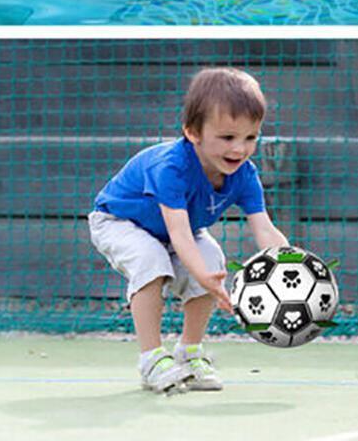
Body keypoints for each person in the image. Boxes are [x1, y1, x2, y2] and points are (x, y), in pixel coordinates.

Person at [88, 67, 288, 393]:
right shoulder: (171, 167)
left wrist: (291, 263)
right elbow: (179, 233)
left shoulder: (245, 174)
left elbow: (264, 227)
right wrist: (203, 277)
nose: (239, 148)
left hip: (171, 232)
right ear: (193, 132)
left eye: (250, 137)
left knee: (210, 260)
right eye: (227, 137)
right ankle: (152, 359)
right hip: (119, 222)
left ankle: (189, 353)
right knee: (151, 259)